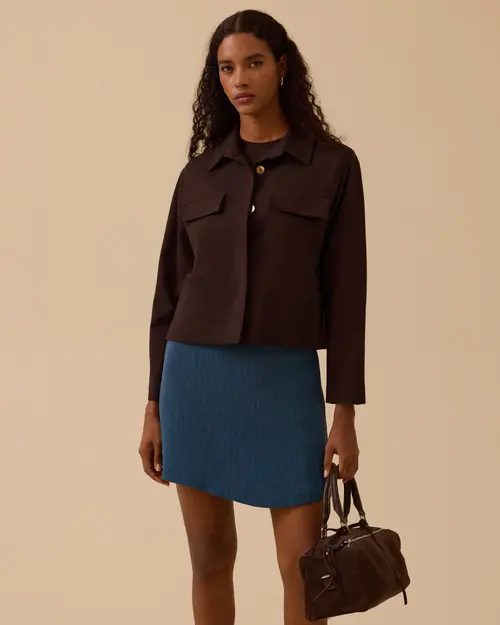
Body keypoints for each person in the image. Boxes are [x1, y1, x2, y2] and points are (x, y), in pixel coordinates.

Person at [138, 9, 367, 625]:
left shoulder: (333, 166)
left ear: (282, 67)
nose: (239, 79)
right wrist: (154, 405)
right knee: (210, 556)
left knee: (306, 568)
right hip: (195, 382)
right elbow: (167, 297)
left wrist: (344, 413)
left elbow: (348, 298)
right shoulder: (197, 175)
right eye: (226, 68)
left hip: (284, 383)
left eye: (254, 63)